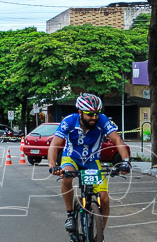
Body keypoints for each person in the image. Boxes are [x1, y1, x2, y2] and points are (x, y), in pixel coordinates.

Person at [48, 93, 131, 234]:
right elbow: (55, 144)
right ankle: (70, 215)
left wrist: (126, 162)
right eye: (90, 114)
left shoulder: (102, 121)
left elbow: (117, 140)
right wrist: (52, 166)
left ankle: (100, 234)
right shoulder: (69, 121)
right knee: (66, 177)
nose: (94, 117)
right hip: (71, 158)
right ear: (80, 112)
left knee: (104, 199)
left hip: (92, 161)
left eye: (97, 114)